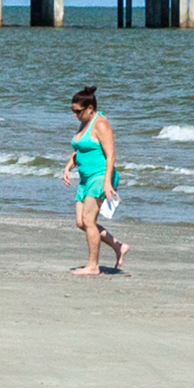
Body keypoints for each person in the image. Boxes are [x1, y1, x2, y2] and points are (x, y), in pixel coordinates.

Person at [67, 87, 125, 275]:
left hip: (100, 176)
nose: (74, 115)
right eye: (73, 111)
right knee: (80, 222)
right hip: (85, 179)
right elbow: (80, 150)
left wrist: (107, 182)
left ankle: (93, 266)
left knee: (89, 220)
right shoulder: (85, 123)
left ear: (90, 108)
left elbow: (111, 155)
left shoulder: (100, 124)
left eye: (78, 111)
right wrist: (68, 167)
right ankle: (118, 246)